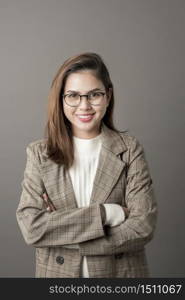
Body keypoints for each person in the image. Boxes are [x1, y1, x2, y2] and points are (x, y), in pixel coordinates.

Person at [16, 52, 157, 278]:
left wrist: (62, 231)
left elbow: (142, 226)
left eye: (94, 95)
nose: (84, 105)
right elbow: (32, 228)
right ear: (61, 99)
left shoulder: (130, 150)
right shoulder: (39, 154)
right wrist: (105, 213)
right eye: (73, 95)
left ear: (108, 96)